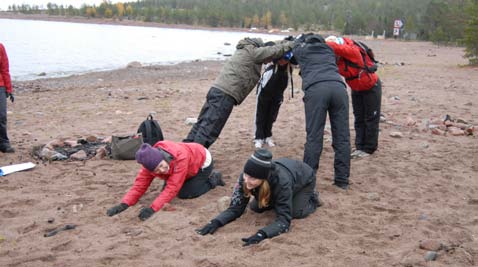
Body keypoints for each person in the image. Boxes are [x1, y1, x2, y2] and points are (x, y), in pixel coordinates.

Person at [184, 37, 294, 148]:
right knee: (210, 128)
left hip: (217, 90)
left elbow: (272, 48)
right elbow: (273, 51)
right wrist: (293, 44)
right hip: (226, 94)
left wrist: (284, 42)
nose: (269, 61)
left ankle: (185, 150)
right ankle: (196, 156)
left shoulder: (245, 49)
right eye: (268, 59)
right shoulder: (254, 52)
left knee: (202, 123)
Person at [196, 148, 320, 246]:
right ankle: (276, 197)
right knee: (256, 207)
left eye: (252, 178)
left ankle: (313, 198)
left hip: (304, 180)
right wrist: (216, 222)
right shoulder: (245, 178)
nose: (247, 180)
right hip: (277, 180)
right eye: (246, 175)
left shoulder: (282, 183)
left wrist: (262, 234)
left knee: (295, 212)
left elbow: (284, 221)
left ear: (263, 178)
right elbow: (236, 208)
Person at [106, 141, 225, 221]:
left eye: (162, 165)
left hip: (201, 162)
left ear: (163, 157)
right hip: (184, 168)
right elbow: (139, 186)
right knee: (166, 191)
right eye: (158, 170)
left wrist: (152, 209)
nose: (162, 170)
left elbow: (172, 187)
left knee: (185, 193)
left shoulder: (180, 157)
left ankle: (214, 179)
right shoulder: (149, 165)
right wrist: (124, 204)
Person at [292, 33, 351, 189]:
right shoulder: (330, 51)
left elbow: (294, 45)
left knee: (314, 136)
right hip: (339, 88)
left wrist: (302, 37)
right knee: (342, 136)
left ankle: (307, 181)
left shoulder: (303, 51)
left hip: (317, 89)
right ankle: (342, 181)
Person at [325, 36, 382, 158]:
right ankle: (359, 146)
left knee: (371, 118)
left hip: (371, 86)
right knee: (359, 118)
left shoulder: (353, 52)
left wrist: (322, 43)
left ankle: (369, 148)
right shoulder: (337, 60)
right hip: (356, 89)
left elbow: (338, 47)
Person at [253, 49, 293, 148]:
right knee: (261, 116)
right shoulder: (270, 69)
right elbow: (262, 84)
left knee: (271, 117)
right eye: (281, 59)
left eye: (285, 59)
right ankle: (258, 138)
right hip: (264, 95)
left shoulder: (288, 70)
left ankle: (268, 136)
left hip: (277, 96)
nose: (282, 61)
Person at [0, 42, 14, 153]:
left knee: (2, 116)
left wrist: (9, 89)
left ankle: (3, 142)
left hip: (0, 86)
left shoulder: (1, 47)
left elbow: (5, 69)